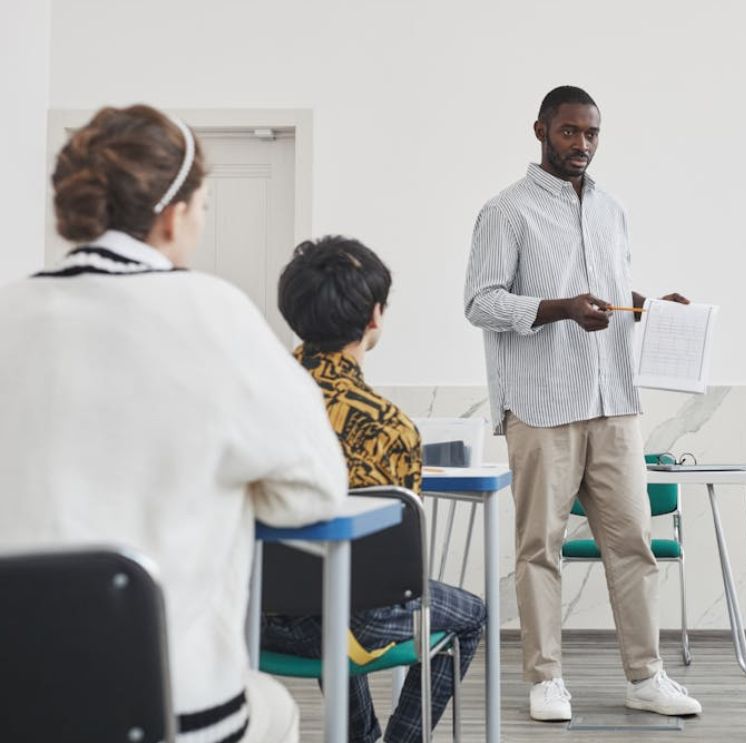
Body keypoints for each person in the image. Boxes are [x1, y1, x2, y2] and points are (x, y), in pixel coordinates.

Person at [0, 104, 348, 743]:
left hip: (14, 703)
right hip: (169, 709)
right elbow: (316, 489)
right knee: (274, 706)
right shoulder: (214, 312)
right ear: (175, 213)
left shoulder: (7, 309)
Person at [463, 85, 701, 721]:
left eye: (591, 134)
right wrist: (558, 309)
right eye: (570, 132)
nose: (582, 145)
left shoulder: (612, 210)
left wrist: (644, 306)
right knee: (539, 547)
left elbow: (609, 291)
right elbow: (479, 301)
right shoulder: (504, 212)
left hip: (615, 402)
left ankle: (646, 676)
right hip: (541, 408)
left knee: (634, 546)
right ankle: (545, 679)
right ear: (540, 129)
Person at [263, 235, 486, 743]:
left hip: (257, 613)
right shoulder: (390, 427)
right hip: (348, 621)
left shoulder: (259, 396)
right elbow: (391, 574)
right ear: (374, 318)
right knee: (469, 614)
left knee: (326, 587)